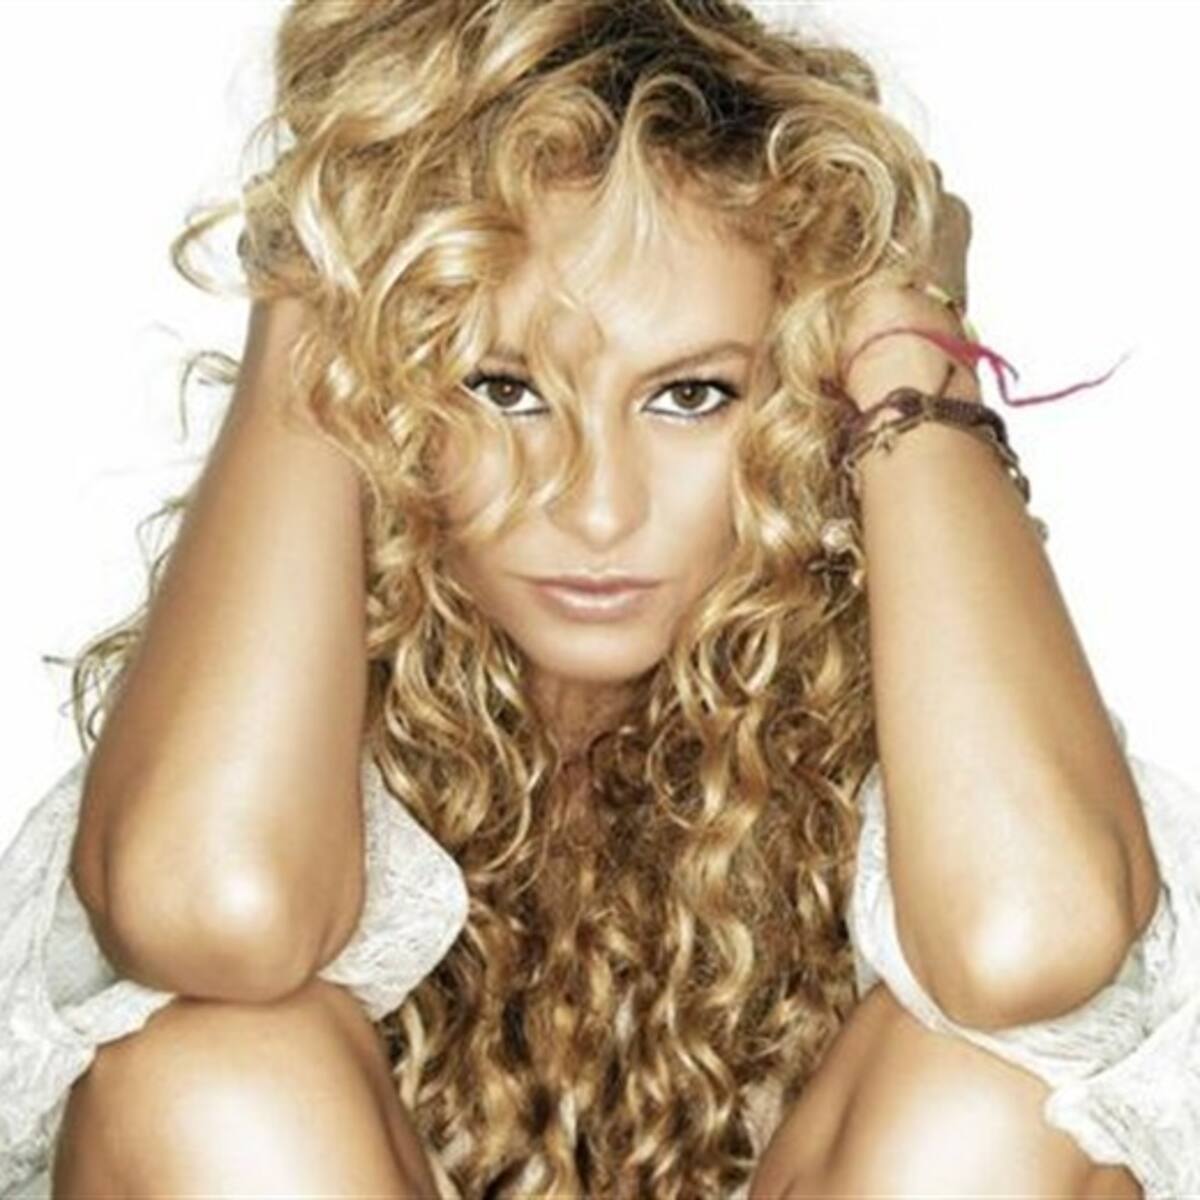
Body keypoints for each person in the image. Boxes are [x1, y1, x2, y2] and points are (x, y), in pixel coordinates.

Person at [1, 1, 1196, 1196]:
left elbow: (1025, 939)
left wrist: (903, 340)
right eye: (504, 389)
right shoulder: (261, 727)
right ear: (389, 393)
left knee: (1000, 1096)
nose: (598, 508)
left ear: (798, 404)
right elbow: (214, 904)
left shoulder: (931, 711)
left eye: (691, 395)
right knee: (210, 1073)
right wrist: (315, 281)